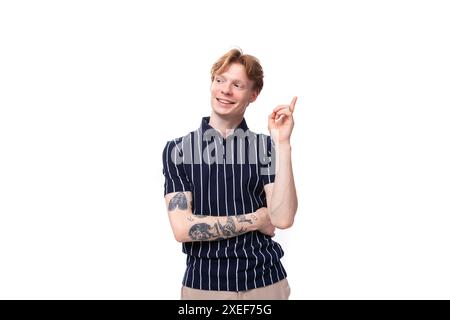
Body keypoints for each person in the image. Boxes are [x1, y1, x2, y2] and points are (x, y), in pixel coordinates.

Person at [162, 48, 298, 300]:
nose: (225, 90)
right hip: (204, 286)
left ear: (253, 95)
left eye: (237, 84)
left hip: (265, 283)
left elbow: (283, 218)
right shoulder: (178, 150)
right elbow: (182, 228)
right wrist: (257, 219)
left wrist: (282, 143)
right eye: (220, 80)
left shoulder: (265, 147)